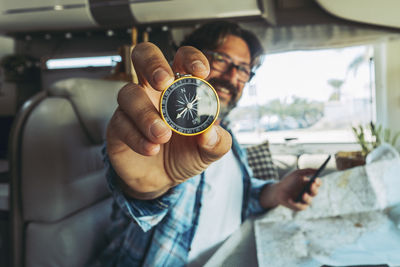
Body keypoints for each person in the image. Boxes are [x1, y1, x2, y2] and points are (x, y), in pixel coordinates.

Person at [97, 21, 321, 266]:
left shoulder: (230, 140)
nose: (233, 76)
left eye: (244, 69)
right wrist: (145, 191)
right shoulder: (158, 130)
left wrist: (276, 192)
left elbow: (237, 196)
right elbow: (138, 193)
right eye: (222, 60)